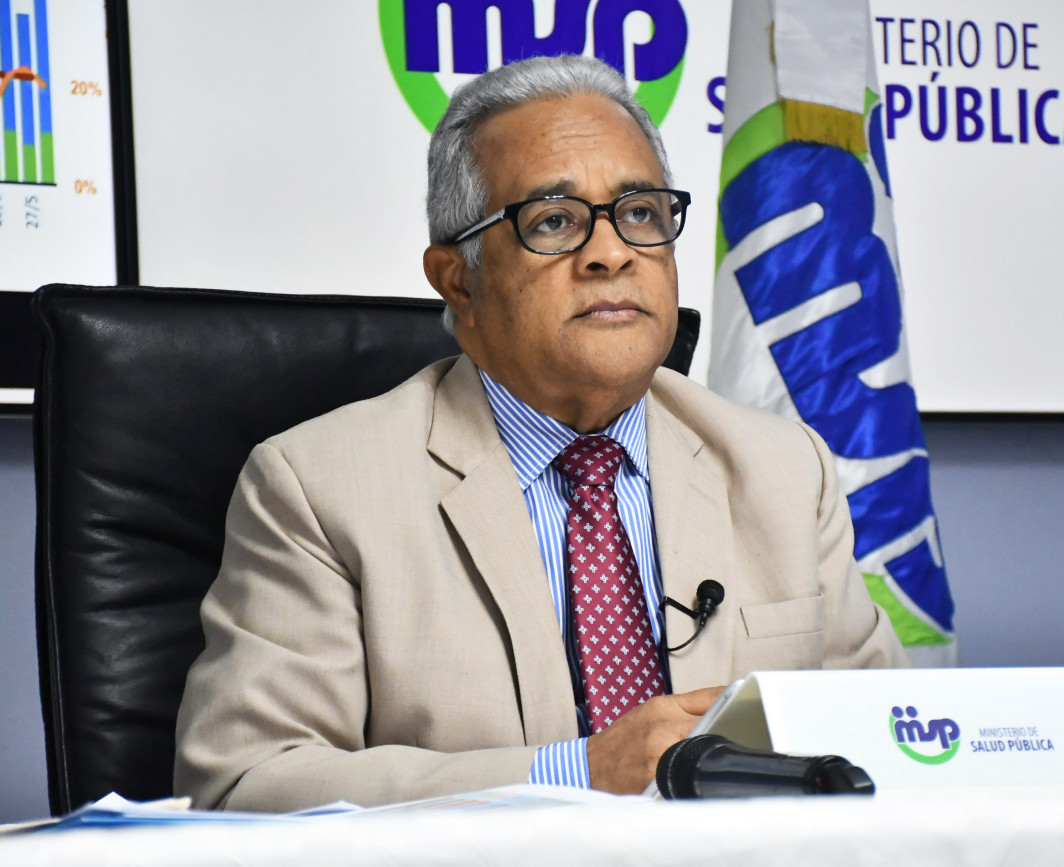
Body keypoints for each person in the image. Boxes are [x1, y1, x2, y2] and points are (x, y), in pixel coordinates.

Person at [174, 54, 906, 813]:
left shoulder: (785, 469)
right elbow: (246, 782)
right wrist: (574, 772)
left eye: (640, 212)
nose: (612, 252)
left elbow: (893, 746)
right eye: (554, 221)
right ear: (458, 280)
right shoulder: (319, 487)